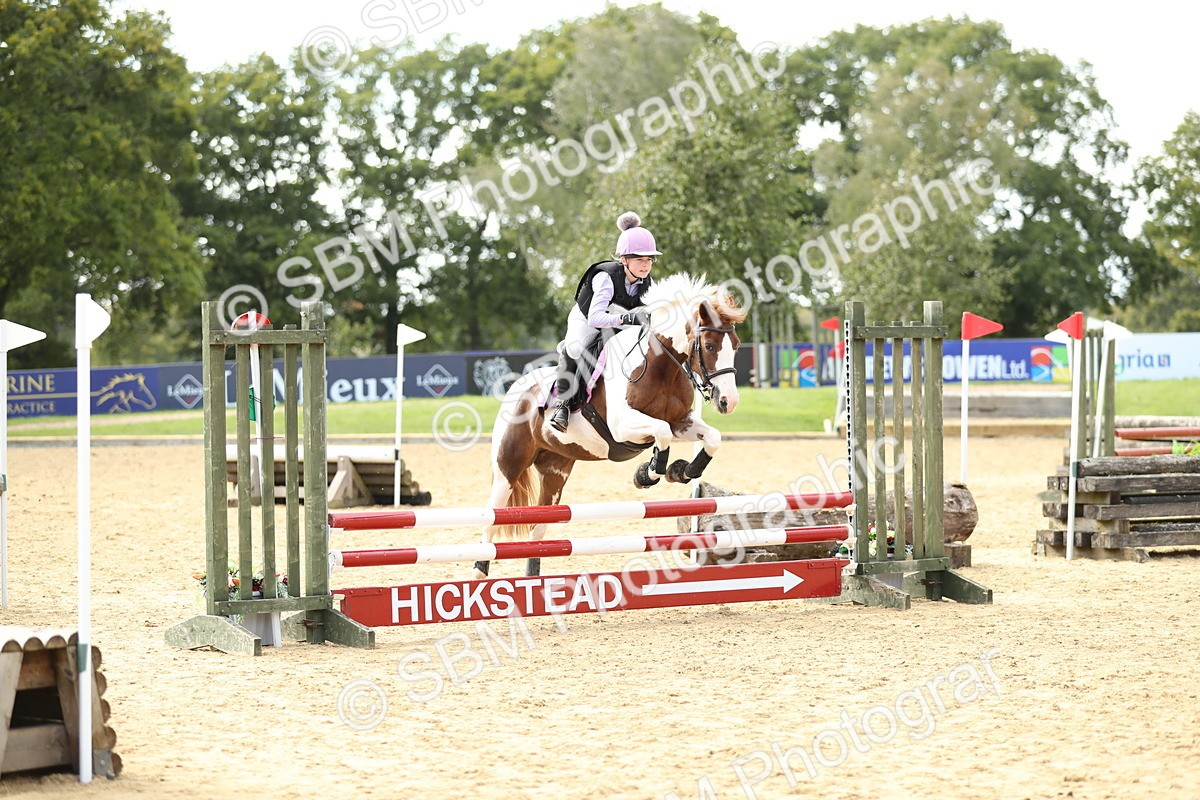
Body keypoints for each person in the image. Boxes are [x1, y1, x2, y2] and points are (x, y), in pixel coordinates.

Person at [548, 211, 659, 432]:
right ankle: (563, 404)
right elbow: (596, 317)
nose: (645, 265)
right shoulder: (606, 277)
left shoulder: (647, 282)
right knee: (577, 347)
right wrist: (628, 317)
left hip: (618, 321)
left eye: (649, 259)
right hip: (587, 318)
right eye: (639, 259)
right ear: (623, 260)